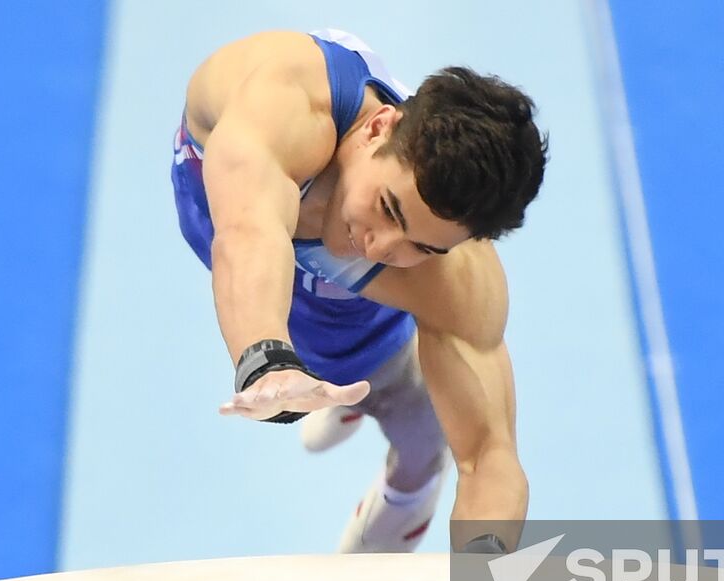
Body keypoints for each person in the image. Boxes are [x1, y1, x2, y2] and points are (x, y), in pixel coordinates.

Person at [171, 28, 547, 554]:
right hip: (231, 207)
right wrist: (266, 360)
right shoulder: (283, 104)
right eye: (390, 209)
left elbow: (491, 459)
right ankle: (326, 373)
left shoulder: (453, 274)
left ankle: (380, 454)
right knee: (273, 267)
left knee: (423, 435)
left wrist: (487, 568)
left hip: (352, 301)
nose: (379, 245)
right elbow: (248, 236)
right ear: (378, 127)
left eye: (426, 245)